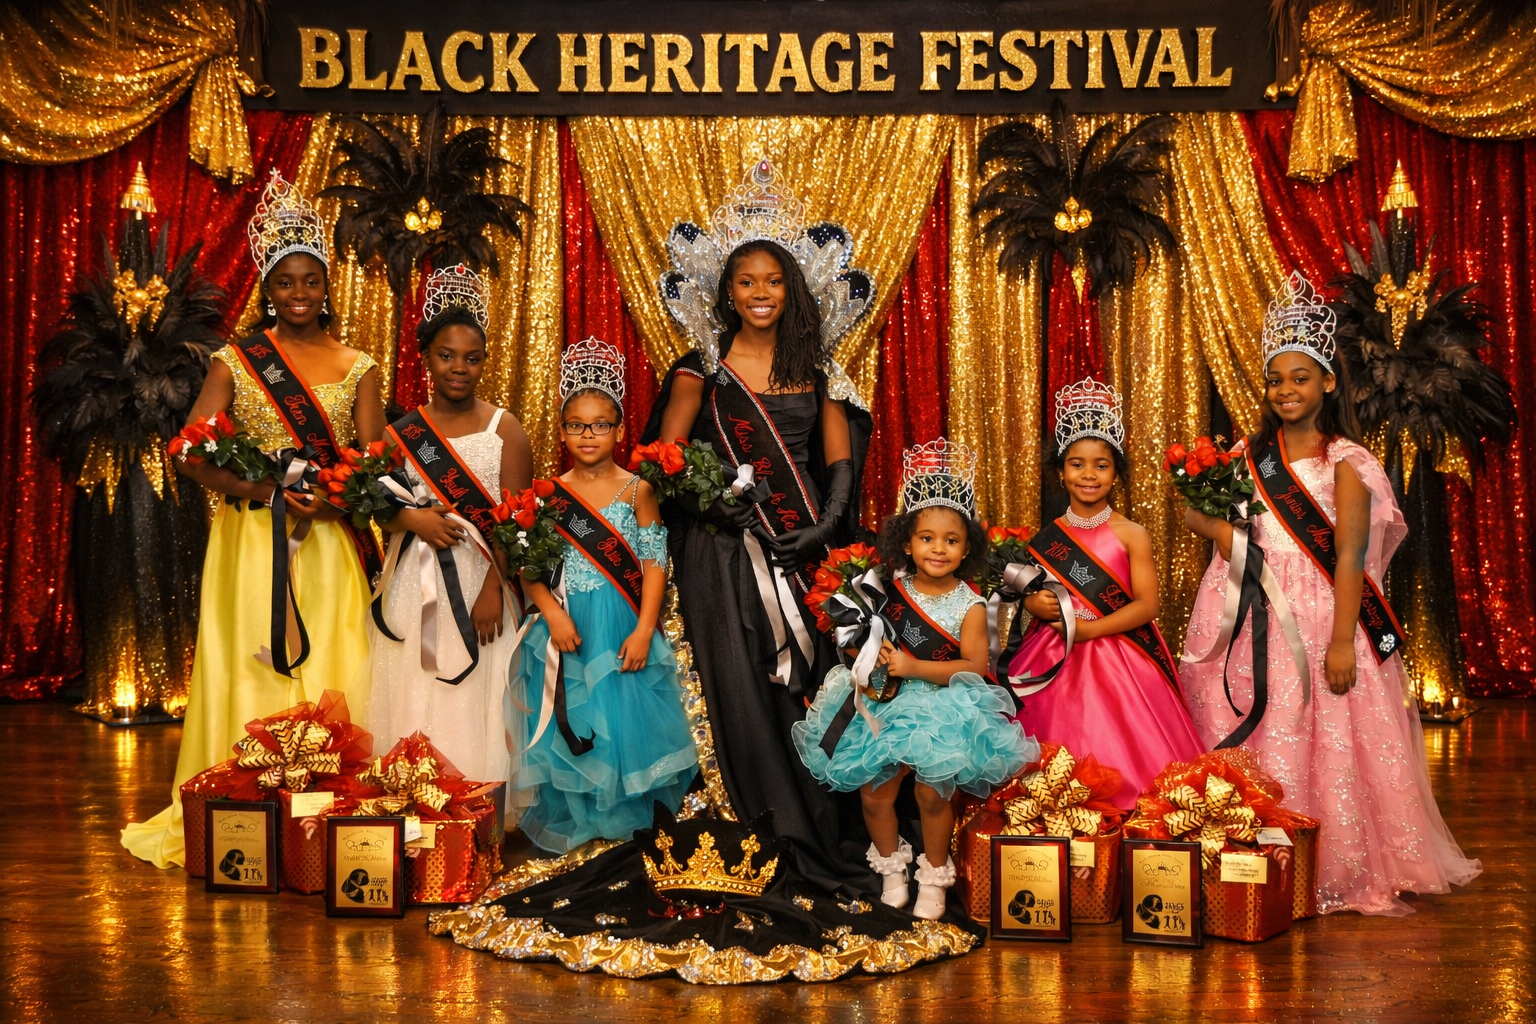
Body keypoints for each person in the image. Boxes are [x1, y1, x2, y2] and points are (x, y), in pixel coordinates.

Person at [1181, 272, 1481, 915]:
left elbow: (1347, 557)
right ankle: (1247, 856)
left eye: (1300, 377)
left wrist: (1344, 640)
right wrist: (1210, 523)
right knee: (1257, 724)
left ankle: (1330, 866)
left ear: (1328, 383)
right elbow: (1214, 525)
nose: (1286, 390)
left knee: (1324, 731)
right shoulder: (1247, 454)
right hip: (1251, 606)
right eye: (1275, 379)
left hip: (1320, 614)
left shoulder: (1346, 461)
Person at [121, 171, 384, 868]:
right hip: (249, 537)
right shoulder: (235, 362)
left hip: (325, 540)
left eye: (311, 281)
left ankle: (328, 816)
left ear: (327, 286)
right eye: (285, 282)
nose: (299, 293)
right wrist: (257, 488)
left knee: (332, 661)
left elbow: (373, 465)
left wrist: (334, 500)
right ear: (267, 287)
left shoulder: (359, 365)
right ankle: (244, 815)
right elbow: (189, 453)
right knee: (249, 664)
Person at [642, 161, 877, 893]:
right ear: (727, 292)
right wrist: (712, 504)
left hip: (801, 545)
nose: (760, 293)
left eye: (773, 280)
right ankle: (754, 814)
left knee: (805, 679)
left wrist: (825, 529)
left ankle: (813, 817)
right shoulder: (700, 368)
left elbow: (839, 461)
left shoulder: (817, 367)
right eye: (746, 282)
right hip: (720, 551)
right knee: (741, 681)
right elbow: (664, 460)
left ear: (793, 288)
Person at [793, 440, 1036, 919]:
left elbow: (974, 667)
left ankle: (935, 876)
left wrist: (913, 667)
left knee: (931, 792)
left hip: (945, 705)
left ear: (967, 548)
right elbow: (858, 640)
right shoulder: (884, 591)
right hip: (886, 702)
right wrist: (867, 654)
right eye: (927, 538)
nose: (938, 548)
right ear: (907, 543)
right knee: (874, 792)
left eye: (951, 540)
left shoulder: (970, 603)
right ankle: (891, 871)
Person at [511, 338, 697, 853]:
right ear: (562, 431)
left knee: (623, 720)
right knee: (578, 716)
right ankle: (586, 823)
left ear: (618, 429)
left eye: (599, 425)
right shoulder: (547, 494)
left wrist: (644, 629)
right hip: (570, 626)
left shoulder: (638, 489)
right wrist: (551, 613)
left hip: (622, 623)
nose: (587, 435)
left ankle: (625, 828)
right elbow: (528, 567)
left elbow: (655, 563)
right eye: (576, 425)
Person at [365, 264, 532, 794]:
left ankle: (475, 802)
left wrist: (494, 587)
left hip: (482, 581)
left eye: (472, 357)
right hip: (413, 586)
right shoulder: (401, 432)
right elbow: (376, 505)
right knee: (413, 686)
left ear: (484, 361)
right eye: (447, 355)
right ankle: (413, 793)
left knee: (474, 690)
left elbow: (517, 520)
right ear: (425, 357)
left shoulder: (504, 427)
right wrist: (410, 518)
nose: (459, 367)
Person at [1008, 379, 1206, 810]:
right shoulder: (1048, 537)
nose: (1089, 474)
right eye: (1077, 464)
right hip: (1052, 654)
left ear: (1116, 474)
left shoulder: (1132, 533)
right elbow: (1033, 593)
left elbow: (1148, 606)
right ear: (1060, 472)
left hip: (1119, 653)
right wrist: (1032, 603)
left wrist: (1090, 629)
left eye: (1101, 465)